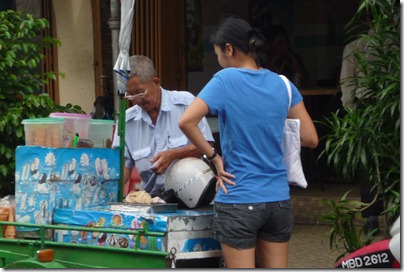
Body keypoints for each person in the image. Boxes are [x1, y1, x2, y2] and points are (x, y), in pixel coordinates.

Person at [178, 17, 318, 268]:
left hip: (239, 197)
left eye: (219, 53)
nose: (219, 60)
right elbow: (310, 139)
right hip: (278, 200)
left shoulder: (225, 79)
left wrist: (214, 156)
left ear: (229, 49)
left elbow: (187, 121)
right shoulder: (283, 84)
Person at [112, 55, 215, 198]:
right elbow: (122, 167)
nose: (136, 101)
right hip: (151, 201)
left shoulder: (186, 103)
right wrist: (113, 191)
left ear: (156, 82)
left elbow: (207, 145)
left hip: (193, 197)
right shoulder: (126, 121)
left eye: (140, 93)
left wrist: (174, 155)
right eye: (130, 96)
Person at [340, 16, 383, 235]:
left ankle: (372, 217)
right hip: (391, 104)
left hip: (365, 107)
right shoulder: (394, 44)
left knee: (368, 164)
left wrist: (353, 114)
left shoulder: (355, 46)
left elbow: (347, 85)